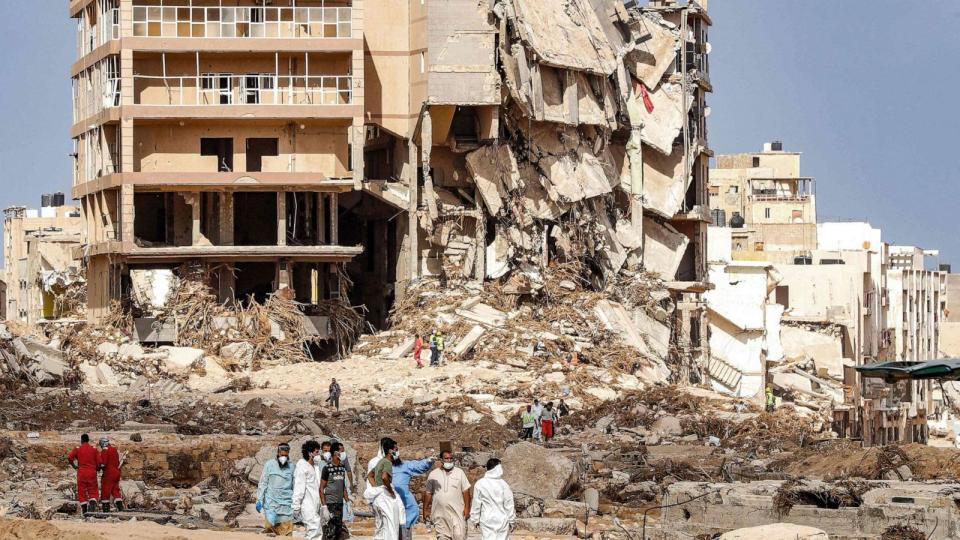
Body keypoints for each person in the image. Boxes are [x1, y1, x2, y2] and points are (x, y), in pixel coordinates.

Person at [423, 450, 472, 540]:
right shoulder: (433, 474)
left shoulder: (459, 472)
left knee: (459, 536)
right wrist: (425, 510)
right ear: (441, 460)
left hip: (457, 514)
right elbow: (428, 493)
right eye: (446, 458)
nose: (449, 460)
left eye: (451, 458)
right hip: (440, 515)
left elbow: (466, 491)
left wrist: (467, 508)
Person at [363, 438, 405, 540]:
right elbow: (384, 477)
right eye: (396, 449)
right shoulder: (387, 462)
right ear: (390, 451)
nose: (397, 451)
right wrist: (390, 491)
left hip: (379, 498)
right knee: (391, 528)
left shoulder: (380, 462)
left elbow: (369, 475)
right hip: (386, 499)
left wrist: (377, 488)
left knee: (382, 529)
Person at [392, 453, 436, 540]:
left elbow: (417, 466)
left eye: (396, 450)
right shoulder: (380, 465)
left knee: (404, 534)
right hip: (388, 510)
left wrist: (428, 461)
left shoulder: (404, 465)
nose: (395, 453)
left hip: (404, 512)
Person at [469, 458, 515, 540]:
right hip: (502, 520)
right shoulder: (504, 484)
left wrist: (475, 519)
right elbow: (509, 504)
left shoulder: (480, 484)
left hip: (486, 520)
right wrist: (511, 520)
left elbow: (476, 503)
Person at [257, 442, 295, 536]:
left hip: (286, 506)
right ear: (278, 453)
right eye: (282, 455)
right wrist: (259, 499)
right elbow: (263, 483)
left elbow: (295, 486)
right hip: (271, 504)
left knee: (286, 534)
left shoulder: (292, 467)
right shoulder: (269, 465)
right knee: (270, 530)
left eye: (286, 455)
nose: (284, 457)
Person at [293, 440, 326, 540]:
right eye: (316, 452)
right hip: (307, 505)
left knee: (315, 532)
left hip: (316, 504)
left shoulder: (315, 467)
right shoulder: (302, 467)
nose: (318, 454)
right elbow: (299, 488)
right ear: (310, 453)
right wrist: (296, 506)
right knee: (314, 531)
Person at [320, 441, 351, 540]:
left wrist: (348, 502)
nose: (342, 454)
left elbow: (343, 486)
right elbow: (321, 488)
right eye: (340, 452)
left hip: (339, 504)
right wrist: (324, 507)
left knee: (338, 530)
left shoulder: (342, 468)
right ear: (334, 453)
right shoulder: (327, 468)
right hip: (330, 503)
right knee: (330, 531)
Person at [67, 433, 100, 514]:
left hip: (81, 472)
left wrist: (74, 466)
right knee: (93, 491)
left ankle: (85, 512)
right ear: (88, 440)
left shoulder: (78, 449)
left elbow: (69, 457)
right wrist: (97, 469)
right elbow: (99, 462)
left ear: (81, 440)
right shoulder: (94, 449)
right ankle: (92, 507)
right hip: (92, 472)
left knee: (82, 492)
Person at [97, 437, 124, 512]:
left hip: (109, 473)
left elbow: (103, 463)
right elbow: (118, 462)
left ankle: (106, 509)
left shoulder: (105, 450)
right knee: (115, 490)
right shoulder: (114, 449)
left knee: (105, 491)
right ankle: (120, 508)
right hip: (116, 472)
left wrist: (98, 466)